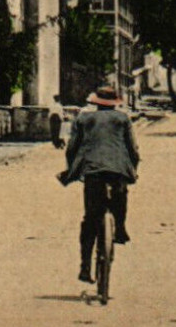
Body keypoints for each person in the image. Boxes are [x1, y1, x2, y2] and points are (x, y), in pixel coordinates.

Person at [58, 86, 140, 283]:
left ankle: (85, 266)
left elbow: (72, 149)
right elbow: (132, 149)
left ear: (96, 102)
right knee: (120, 197)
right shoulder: (123, 119)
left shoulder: (84, 119)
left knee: (90, 219)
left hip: (92, 172)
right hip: (118, 170)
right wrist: (133, 170)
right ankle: (119, 228)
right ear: (115, 102)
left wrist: (72, 170)